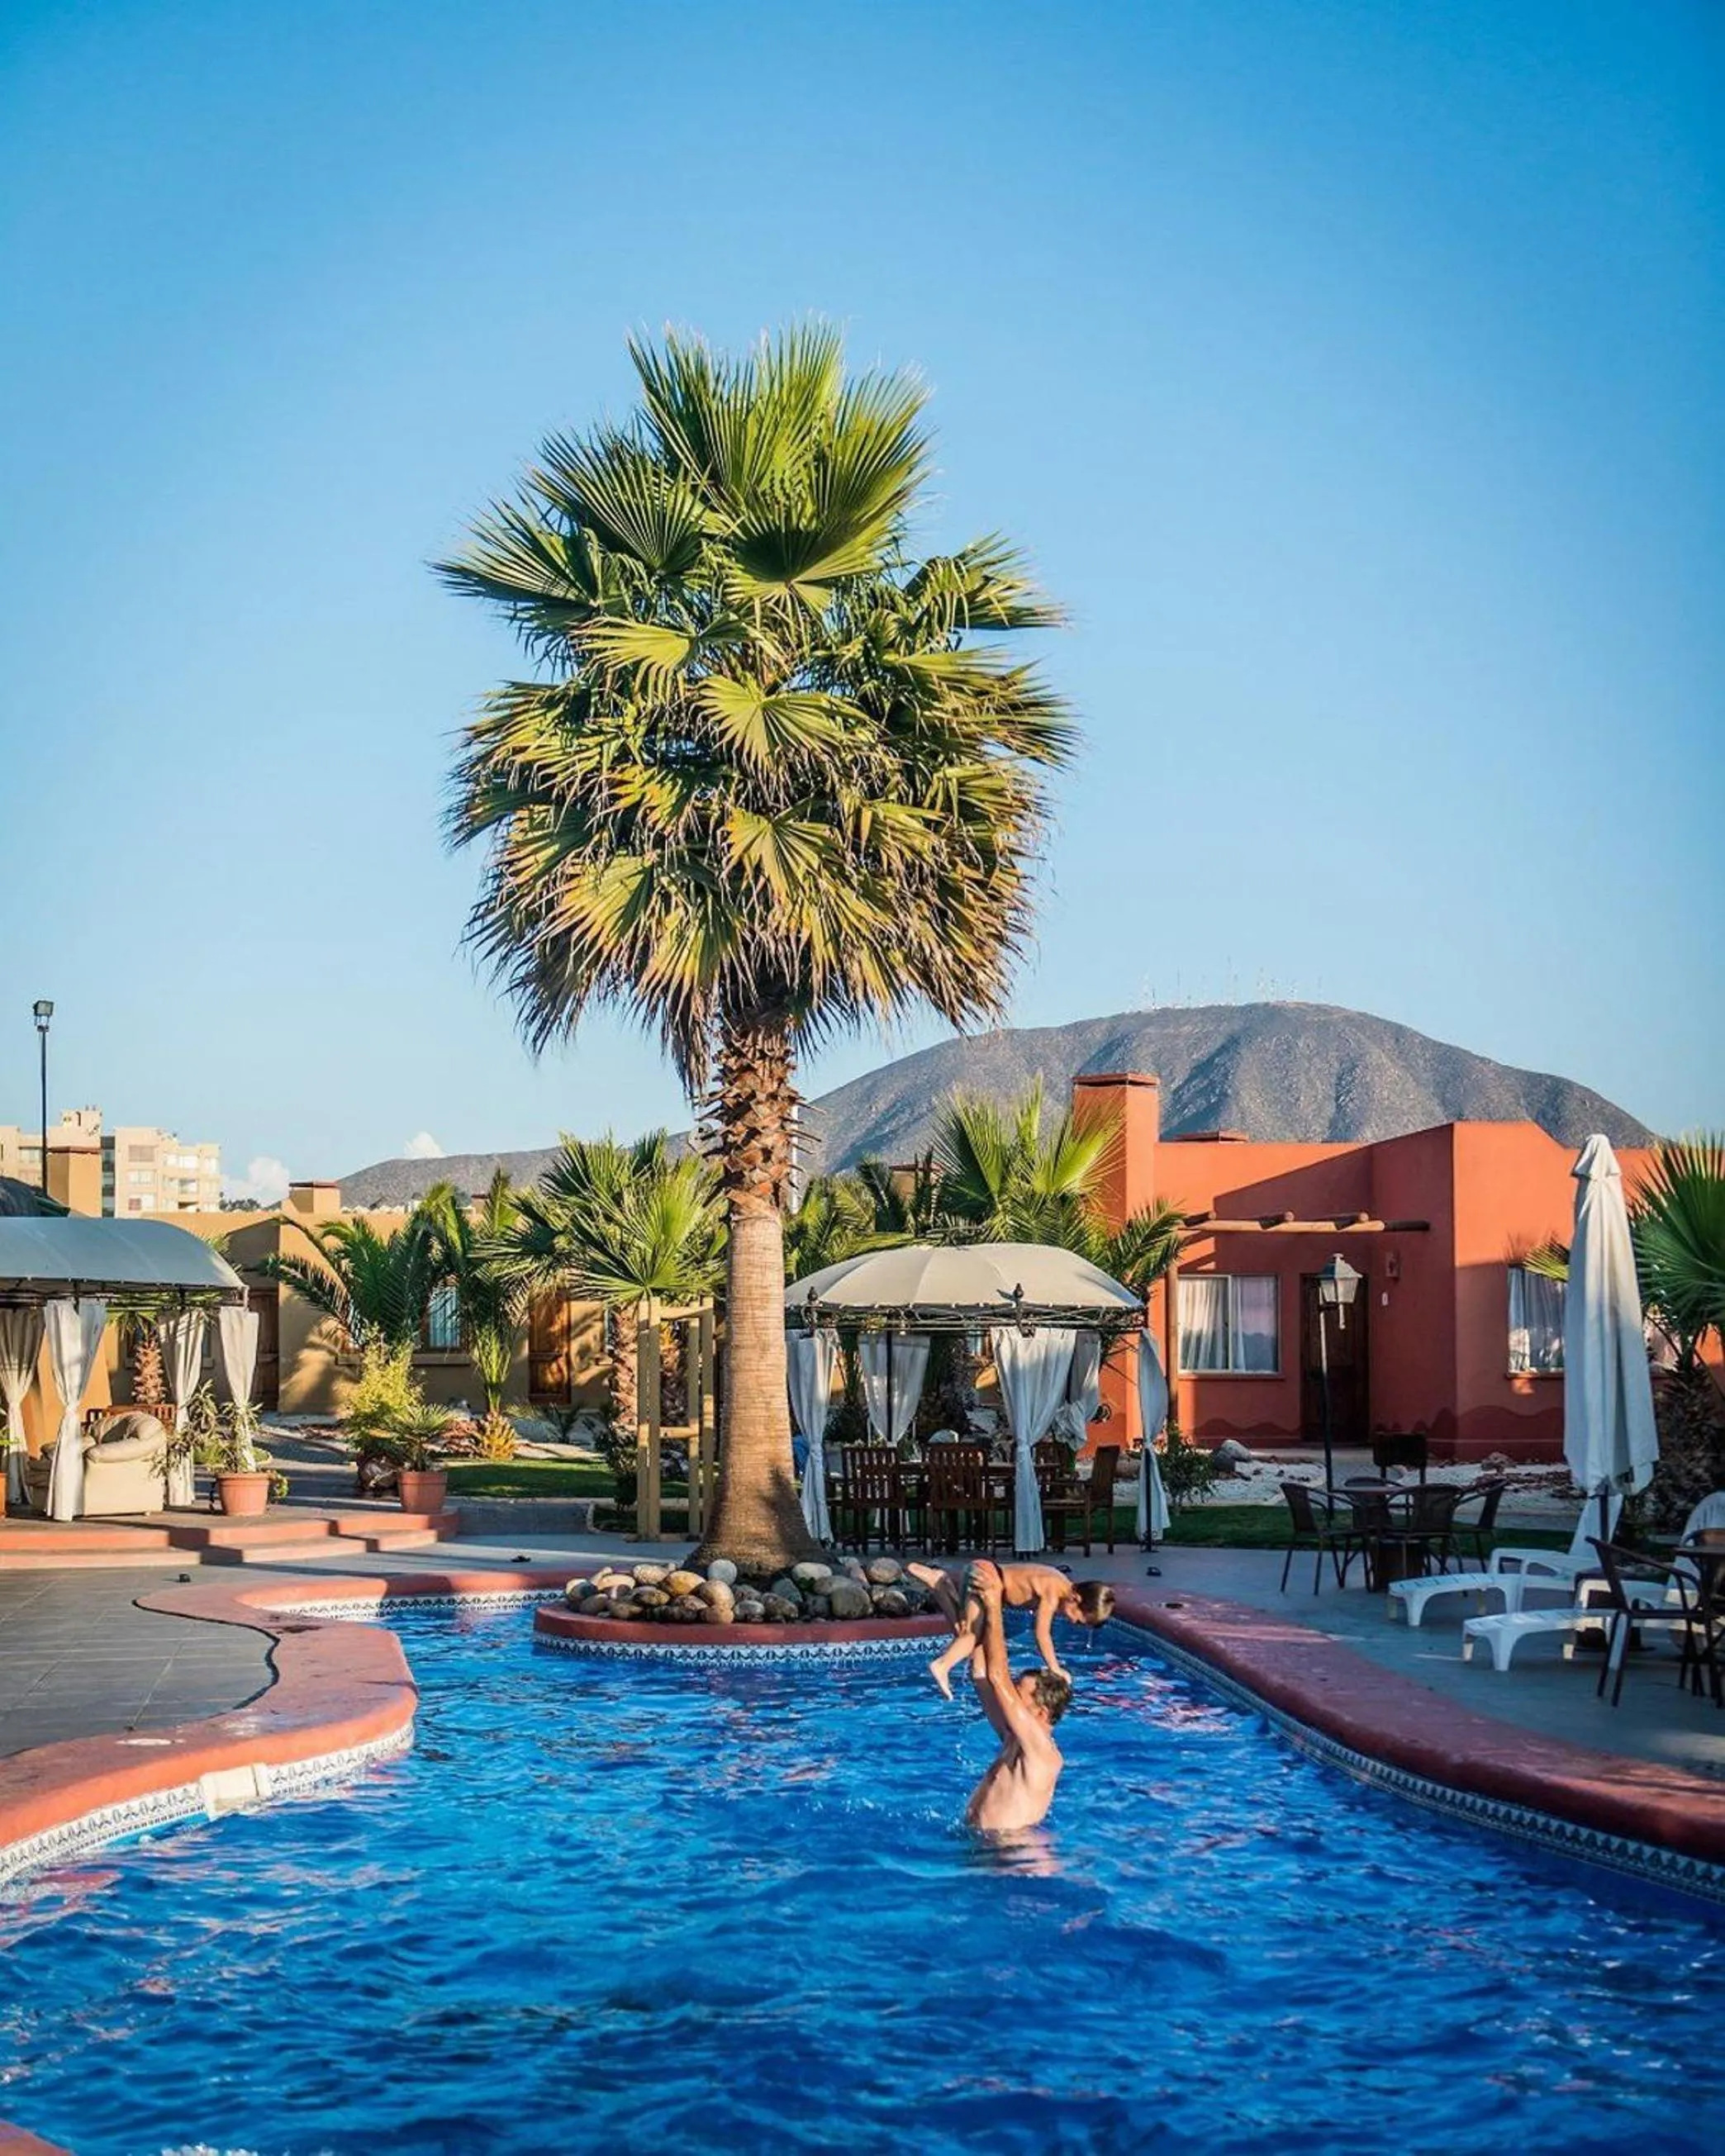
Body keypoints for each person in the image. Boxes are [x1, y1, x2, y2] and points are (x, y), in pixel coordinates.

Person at [960, 1560, 1068, 1831]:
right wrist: (977, 1612)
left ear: (1041, 1712)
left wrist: (994, 1604)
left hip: (1014, 1851)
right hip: (985, 1845)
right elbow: (981, 1674)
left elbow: (998, 1677)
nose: (1010, 1698)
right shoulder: (1013, 1737)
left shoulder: (1043, 1753)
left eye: (1019, 1695)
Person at [910, 1559, 1114, 1698]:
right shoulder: (1054, 1591)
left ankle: (941, 1585)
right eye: (1078, 1620)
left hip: (982, 1569)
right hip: (988, 1580)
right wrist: (1055, 1668)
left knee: (966, 1630)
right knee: (973, 1636)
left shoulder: (1059, 1580)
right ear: (1075, 1599)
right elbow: (1042, 1634)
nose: (1073, 1623)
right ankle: (942, 1665)